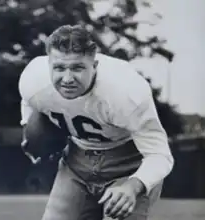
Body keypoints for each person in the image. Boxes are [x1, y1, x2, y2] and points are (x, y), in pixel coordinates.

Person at [19, 24, 174, 220]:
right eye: (59, 68)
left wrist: (132, 186)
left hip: (127, 165)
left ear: (95, 65)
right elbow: (30, 101)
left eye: (77, 68)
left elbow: (160, 155)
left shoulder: (126, 91)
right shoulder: (34, 79)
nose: (67, 79)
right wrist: (29, 130)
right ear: (48, 64)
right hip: (76, 163)